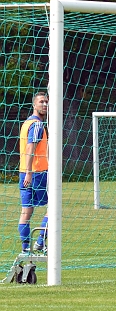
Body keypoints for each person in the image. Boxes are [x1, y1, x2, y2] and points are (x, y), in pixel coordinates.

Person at [19, 92, 49, 253]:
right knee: (53, 208)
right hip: (36, 172)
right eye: (41, 102)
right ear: (34, 105)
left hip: (23, 172)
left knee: (26, 212)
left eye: (46, 102)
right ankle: (39, 241)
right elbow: (30, 147)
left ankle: (25, 250)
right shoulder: (37, 125)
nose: (45, 105)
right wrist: (30, 172)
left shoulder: (26, 123)